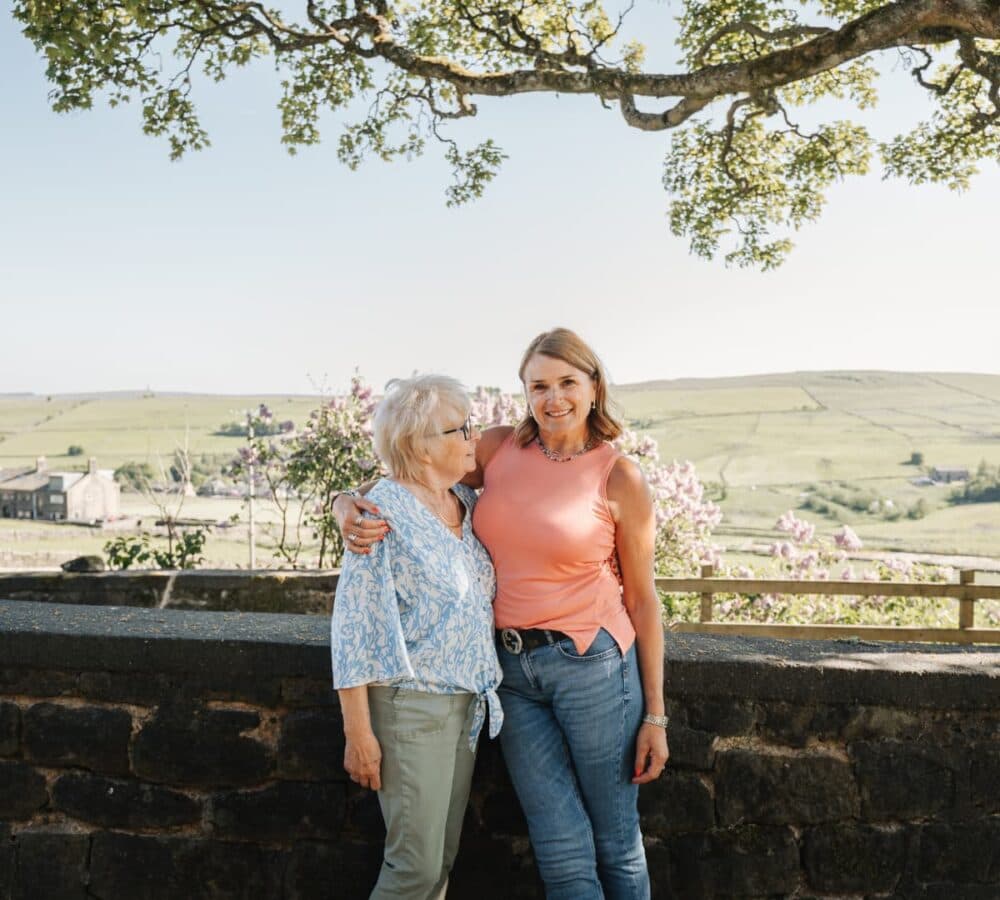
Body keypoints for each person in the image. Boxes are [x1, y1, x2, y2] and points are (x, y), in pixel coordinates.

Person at [335, 328, 668, 900]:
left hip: (593, 666)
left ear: (594, 388)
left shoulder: (619, 475)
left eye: (568, 382)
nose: (553, 398)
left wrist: (656, 714)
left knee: (615, 839)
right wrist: (343, 503)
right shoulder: (495, 448)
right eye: (539, 385)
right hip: (509, 675)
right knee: (559, 848)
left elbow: (643, 599)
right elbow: (410, 476)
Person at [330, 374, 502, 900]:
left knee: (440, 863)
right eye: (461, 428)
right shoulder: (380, 515)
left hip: (464, 708)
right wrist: (359, 736)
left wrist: (339, 495)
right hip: (411, 708)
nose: (475, 437)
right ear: (420, 446)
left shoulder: (464, 503)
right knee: (415, 869)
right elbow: (353, 631)